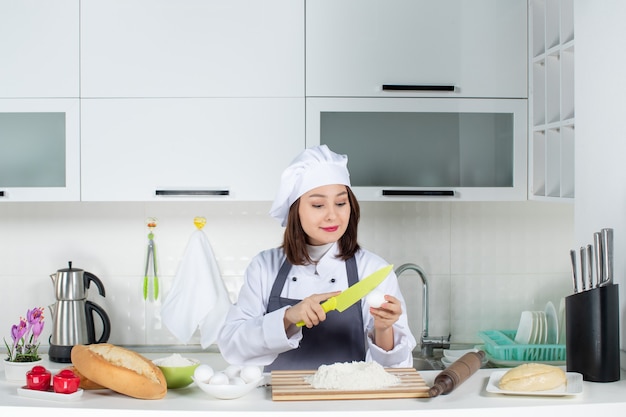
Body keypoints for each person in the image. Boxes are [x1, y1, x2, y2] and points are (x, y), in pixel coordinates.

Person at [217, 145, 416, 370]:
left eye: (341, 203)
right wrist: (288, 318)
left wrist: (383, 329)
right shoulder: (264, 267)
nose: (333, 215)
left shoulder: (372, 269)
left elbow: (395, 371)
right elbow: (232, 346)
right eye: (318, 205)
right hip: (278, 401)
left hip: (348, 401)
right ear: (296, 209)